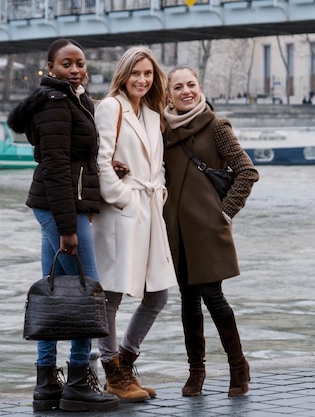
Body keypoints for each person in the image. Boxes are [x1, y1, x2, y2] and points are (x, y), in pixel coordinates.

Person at [6, 38, 118, 413]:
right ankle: (78, 382)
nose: (75, 69)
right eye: (66, 64)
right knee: (88, 291)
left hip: (59, 205)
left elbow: (74, 159)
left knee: (54, 291)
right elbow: (55, 169)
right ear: (50, 67)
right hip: (59, 209)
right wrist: (68, 228)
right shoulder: (55, 104)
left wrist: (106, 170)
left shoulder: (73, 98)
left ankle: (45, 382)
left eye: (80, 63)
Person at [162, 66, 259, 397]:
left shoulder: (216, 126)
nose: (186, 91)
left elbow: (247, 172)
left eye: (191, 84)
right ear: (168, 95)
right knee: (187, 302)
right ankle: (196, 372)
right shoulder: (162, 130)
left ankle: (238, 367)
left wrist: (225, 213)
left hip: (207, 230)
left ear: (200, 87)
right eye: (178, 87)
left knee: (213, 298)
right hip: (175, 231)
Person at [91, 46, 177, 402]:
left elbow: (156, 165)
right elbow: (102, 158)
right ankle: (113, 372)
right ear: (123, 75)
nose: (142, 80)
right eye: (135, 73)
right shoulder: (111, 107)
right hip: (123, 212)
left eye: (148, 74)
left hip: (149, 210)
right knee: (111, 294)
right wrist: (122, 197)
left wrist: (159, 195)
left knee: (158, 293)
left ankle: (125, 361)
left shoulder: (154, 114)